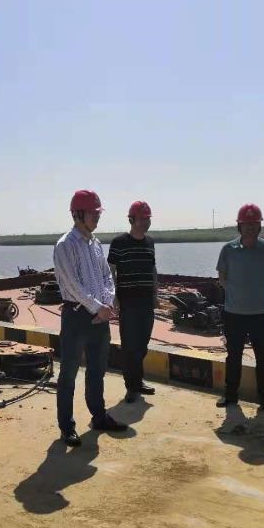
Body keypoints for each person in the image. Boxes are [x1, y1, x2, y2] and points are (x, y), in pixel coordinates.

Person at [53, 189, 129, 447]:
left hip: (100, 316)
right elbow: (72, 285)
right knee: (68, 374)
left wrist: (107, 301)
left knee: (97, 370)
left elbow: (107, 276)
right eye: (92, 213)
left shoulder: (95, 244)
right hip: (76, 316)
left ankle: (99, 416)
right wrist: (98, 307)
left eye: (98, 213)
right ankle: (67, 427)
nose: (97, 217)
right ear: (77, 215)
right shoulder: (65, 245)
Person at [215, 203, 264, 412]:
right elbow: (222, 278)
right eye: (246, 224)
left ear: (260, 226)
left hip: (261, 313)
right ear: (239, 226)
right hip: (234, 313)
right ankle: (230, 395)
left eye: (254, 224)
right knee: (233, 356)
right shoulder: (228, 249)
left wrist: (263, 296)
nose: (251, 228)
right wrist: (235, 294)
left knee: (263, 358)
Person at [108, 201, 158, 403]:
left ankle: (138, 381)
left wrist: (155, 294)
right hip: (128, 301)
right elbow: (110, 271)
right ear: (132, 220)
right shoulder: (119, 242)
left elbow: (153, 269)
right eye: (142, 218)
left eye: (148, 219)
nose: (146, 222)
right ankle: (131, 386)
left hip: (146, 301)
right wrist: (114, 296)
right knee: (130, 345)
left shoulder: (150, 243)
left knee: (143, 344)